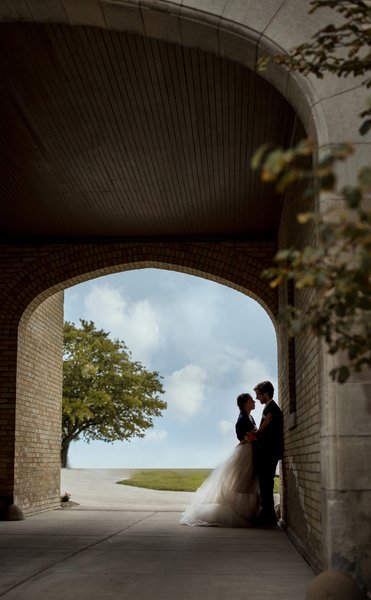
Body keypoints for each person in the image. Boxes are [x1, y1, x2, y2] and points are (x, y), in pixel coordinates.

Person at [180, 393, 263, 528]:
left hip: (250, 451)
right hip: (246, 453)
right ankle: (240, 514)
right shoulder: (242, 418)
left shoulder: (249, 416)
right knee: (243, 483)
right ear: (244, 404)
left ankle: (247, 514)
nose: (254, 402)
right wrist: (257, 431)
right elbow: (246, 437)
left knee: (248, 483)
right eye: (251, 400)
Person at [248, 380, 283, 527]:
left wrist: (256, 435)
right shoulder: (269, 409)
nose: (256, 398)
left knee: (266, 485)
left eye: (258, 395)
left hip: (268, 455)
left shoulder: (272, 410)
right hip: (268, 454)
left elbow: (268, 436)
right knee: (265, 485)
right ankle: (268, 517)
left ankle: (267, 518)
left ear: (266, 394)